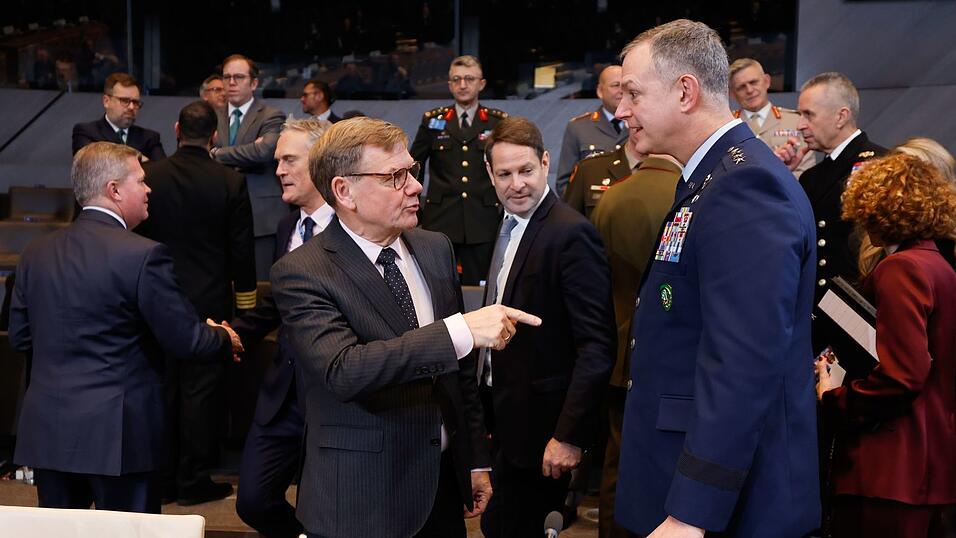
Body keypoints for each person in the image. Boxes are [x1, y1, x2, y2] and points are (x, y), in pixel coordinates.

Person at [270, 117, 541, 538]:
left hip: (441, 491)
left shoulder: (434, 248)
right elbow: (344, 371)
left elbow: (459, 375)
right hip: (359, 498)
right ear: (345, 191)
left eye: (411, 171)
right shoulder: (302, 271)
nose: (415, 186)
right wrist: (459, 331)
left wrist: (474, 459)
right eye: (395, 177)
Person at [614, 20, 821, 537]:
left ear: (685, 92)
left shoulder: (743, 186)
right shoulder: (712, 179)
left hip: (723, 506)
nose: (621, 111)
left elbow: (743, 362)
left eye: (634, 93)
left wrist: (691, 512)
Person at [8, 142, 241, 513]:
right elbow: (187, 340)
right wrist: (222, 335)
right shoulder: (144, 255)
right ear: (114, 190)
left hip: (50, 430)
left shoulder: (36, 253)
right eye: (141, 181)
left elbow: (20, 337)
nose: (149, 189)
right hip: (119, 434)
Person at [477, 116, 615, 538]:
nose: (516, 184)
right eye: (505, 174)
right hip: (501, 418)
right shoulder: (500, 225)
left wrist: (569, 436)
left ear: (546, 162)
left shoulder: (570, 233)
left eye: (526, 171)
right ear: (490, 174)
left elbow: (596, 345)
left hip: (544, 434)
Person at [817, 153, 956, 538]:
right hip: (927, 466)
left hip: (890, 467)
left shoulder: (901, 269)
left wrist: (834, 398)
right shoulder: (938, 265)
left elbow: (903, 374)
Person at [135, 100, 257, 506]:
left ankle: (162, 477)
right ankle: (193, 479)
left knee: (160, 387)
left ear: (175, 130)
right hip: (210, 301)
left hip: (155, 298)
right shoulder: (229, 181)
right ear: (214, 136)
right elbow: (242, 253)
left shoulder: (150, 176)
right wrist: (244, 309)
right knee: (201, 395)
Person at [232, 117, 334, 538]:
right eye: (277, 161)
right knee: (252, 500)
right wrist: (233, 332)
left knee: (323, 509)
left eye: (289, 160)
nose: (279, 170)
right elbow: (279, 300)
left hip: (331, 396)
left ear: (321, 163)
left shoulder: (356, 228)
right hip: (281, 395)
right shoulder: (287, 227)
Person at [589, 153, 682, 538]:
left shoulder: (610, 199)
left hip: (619, 350)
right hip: (674, 356)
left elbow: (597, 282)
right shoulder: (690, 195)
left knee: (618, 461)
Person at [776, 72, 886, 303]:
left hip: (859, 307)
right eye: (799, 115)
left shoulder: (880, 165)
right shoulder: (811, 176)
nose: (800, 125)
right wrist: (780, 175)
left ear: (840, 117)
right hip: (818, 308)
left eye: (808, 115)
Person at [410, 55, 508, 285]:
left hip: (482, 218)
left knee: (480, 285)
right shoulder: (433, 121)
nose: (463, 85)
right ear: (450, 84)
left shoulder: (496, 122)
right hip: (442, 218)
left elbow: (504, 166)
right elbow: (415, 164)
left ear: (481, 84)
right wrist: (414, 206)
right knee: (437, 284)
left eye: (469, 79)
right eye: (457, 79)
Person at [210, 54, 287, 280]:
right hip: (221, 212)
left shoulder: (272, 116)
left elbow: (263, 152)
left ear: (254, 83)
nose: (231, 82)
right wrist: (247, 152)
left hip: (261, 216)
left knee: (261, 282)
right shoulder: (212, 116)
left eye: (238, 77)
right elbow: (203, 156)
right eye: (227, 77)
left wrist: (218, 154)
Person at [729, 58, 820, 177]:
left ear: (766, 81)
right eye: (741, 87)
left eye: (753, 82)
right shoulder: (728, 125)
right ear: (732, 94)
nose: (750, 90)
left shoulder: (795, 121)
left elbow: (806, 172)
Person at [555, 65, 628, 196]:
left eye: (625, 86)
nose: (621, 91)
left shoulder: (642, 125)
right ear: (600, 91)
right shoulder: (579, 127)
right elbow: (564, 184)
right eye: (616, 85)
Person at [72, 72, 166, 161]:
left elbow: (162, 171)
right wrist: (140, 159)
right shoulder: (86, 132)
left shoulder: (149, 138)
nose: (131, 107)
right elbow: (91, 165)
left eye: (135, 102)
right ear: (106, 101)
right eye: (125, 101)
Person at [563, 124, 645, 218]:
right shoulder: (589, 169)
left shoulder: (665, 174)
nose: (647, 125)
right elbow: (569, 225)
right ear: (627, 120)